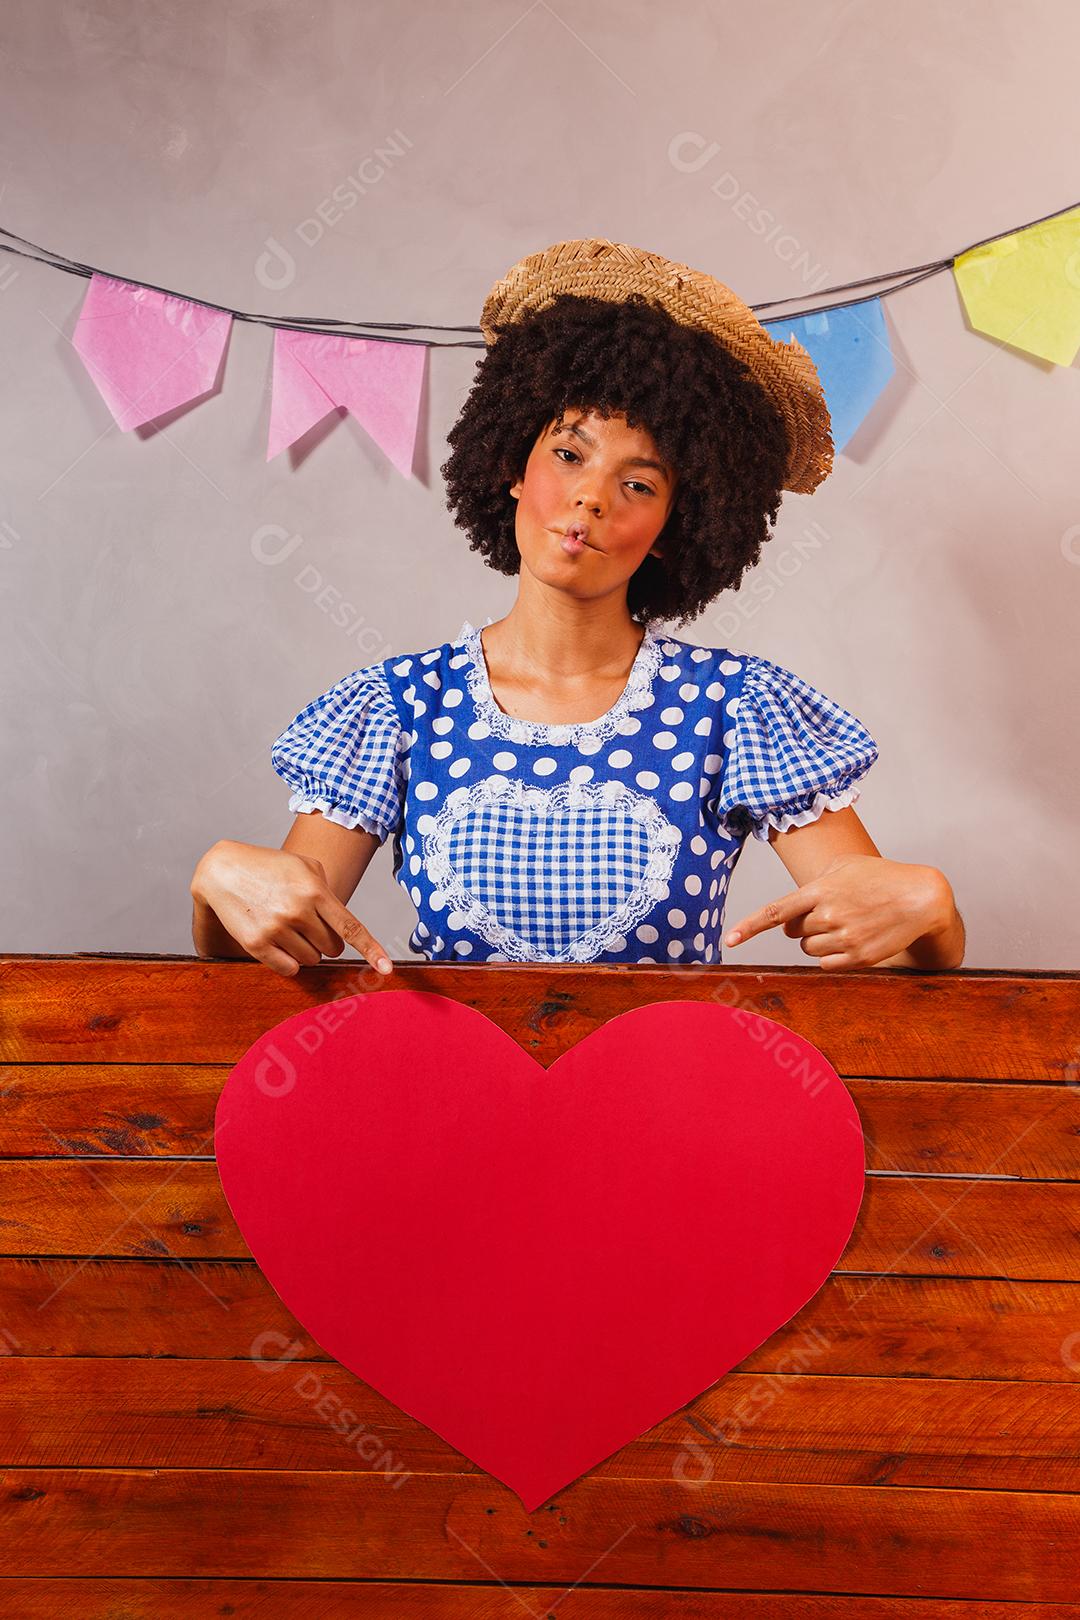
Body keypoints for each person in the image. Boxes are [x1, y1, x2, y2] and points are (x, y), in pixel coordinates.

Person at [190, 237, 965, 979]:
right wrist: (216, 888)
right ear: (512, 468)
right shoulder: (394, 709)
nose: (592, 495)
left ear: (672, 530)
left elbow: (885, 931)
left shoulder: (736, 708)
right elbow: (273, 934)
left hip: (666, 1102)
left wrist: (933, 915)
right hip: (453, 1104)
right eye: (569, 454)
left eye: (640, 483)